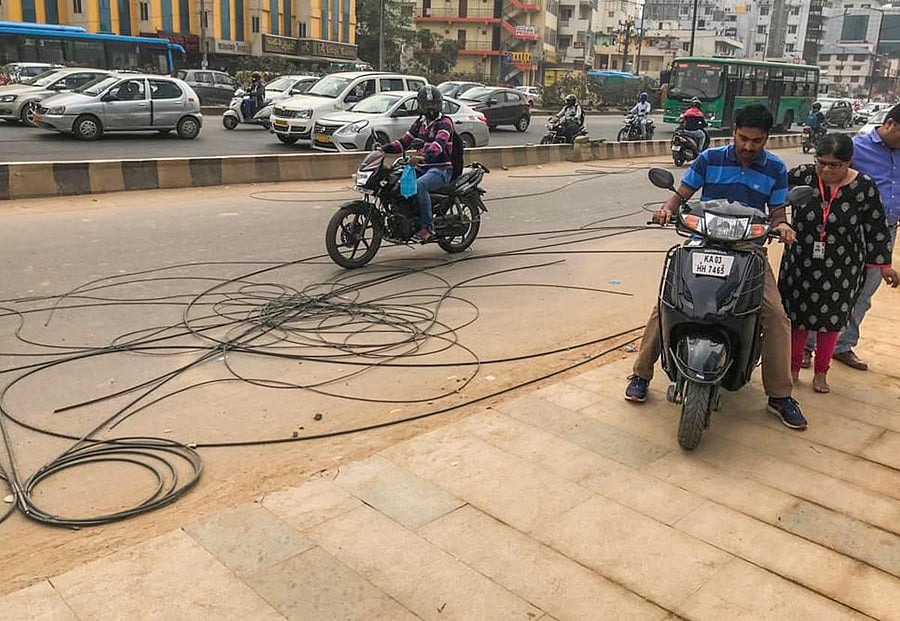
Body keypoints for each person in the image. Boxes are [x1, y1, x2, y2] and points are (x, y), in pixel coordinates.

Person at [625, 104, 808, 430]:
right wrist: (667, 209)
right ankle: (641, 373)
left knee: (776, 315)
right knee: (667, 302)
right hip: (703, 243)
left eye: (757, 141)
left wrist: (782, 226)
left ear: (767, 139)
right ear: (734, 131)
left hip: (748, 250)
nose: (749, 147)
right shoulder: (710, 158)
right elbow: (679, 195)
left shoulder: (776, 168)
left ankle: (780, 396)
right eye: (743, 138)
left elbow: (777, 212)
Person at [781, 134, 898, 393]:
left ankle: (822, 372)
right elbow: (773, 190)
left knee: (831, 319)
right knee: (796, 316)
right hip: (800, 260)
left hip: (843, 265)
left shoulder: (863, 186)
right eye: (821, 162)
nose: (826, 169)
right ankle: (793, 367)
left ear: (849, 162)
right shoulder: (803, 175)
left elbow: (876, 228)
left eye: (835, 165)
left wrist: (883, 264)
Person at [803, 103, 900, 371]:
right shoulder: (856, 147)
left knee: (863, 294)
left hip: (885, 230)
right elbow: (823, 175)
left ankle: (843, 345)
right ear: (890, 124)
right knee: (825, 289)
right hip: (847, 232)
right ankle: (808, 348)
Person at [381, 85, 455, 241]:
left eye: (434, 104)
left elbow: (439, 144)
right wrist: (383, 149)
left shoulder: (445, 122)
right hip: (421, 167)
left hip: (441, 169)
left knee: (420, 185)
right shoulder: (420, 123)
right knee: (394, 183)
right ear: (420, 105)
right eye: (427, 105)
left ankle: (427, 227)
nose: (431, 108)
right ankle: (407, 219)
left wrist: (424, 157)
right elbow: (404, 141)